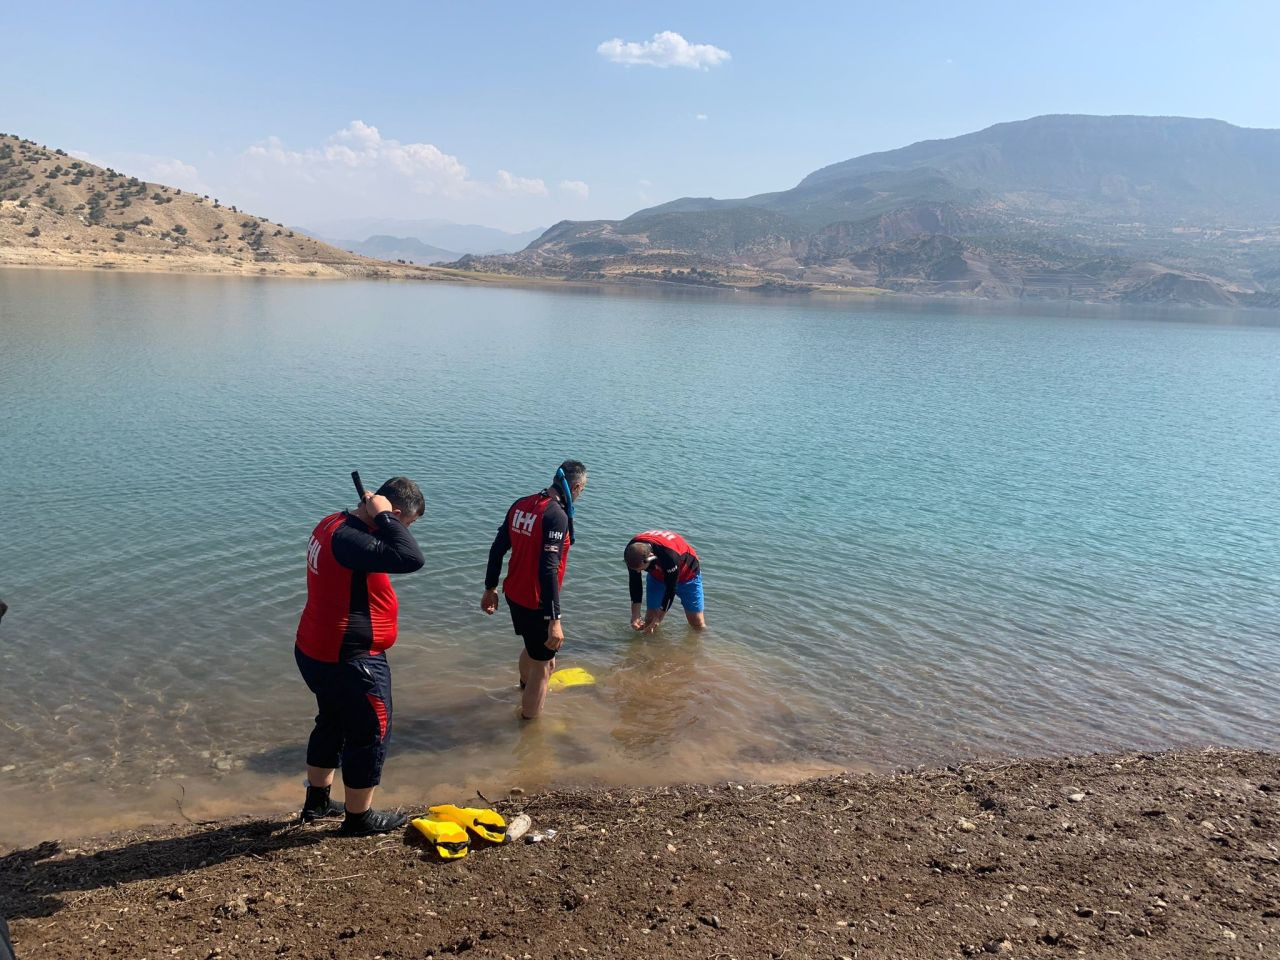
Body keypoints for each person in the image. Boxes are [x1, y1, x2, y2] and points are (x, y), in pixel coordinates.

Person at [294, 476, 425, 835]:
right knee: (370, 732)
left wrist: (382, 519)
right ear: (392, 512)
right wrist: (386, 519)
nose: (404, 531)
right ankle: (359, 818)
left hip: (316, 648)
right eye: (407, 524)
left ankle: (317, 801)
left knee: (332, 722)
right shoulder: (352, 540)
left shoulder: (333, 524)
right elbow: (412, 558)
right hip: (350, 658)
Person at [481, 460, 587, 719]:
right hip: (537, 601)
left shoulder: (521, 504)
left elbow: (497, 549)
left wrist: (490, 588)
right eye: (584, 489)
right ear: (576, 486)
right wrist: (555, 619)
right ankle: (529, 728)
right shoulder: (556, 516)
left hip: (513, 594)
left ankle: (523, 690)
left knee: (532, 649)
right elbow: (549, 569)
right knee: (545, 665)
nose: (583, 493)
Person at [624, 530, 706, 633]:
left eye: (640, 569)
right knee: (649, 620)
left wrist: (659, 618)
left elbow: (671, 589)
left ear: (650, 557)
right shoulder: (631, 551)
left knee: (696, 623)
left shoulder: (669, 556)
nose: (637, 572)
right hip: (657, 577)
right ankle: (649, 647)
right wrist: (635, 614)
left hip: (687, 576)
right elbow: (635, 582)